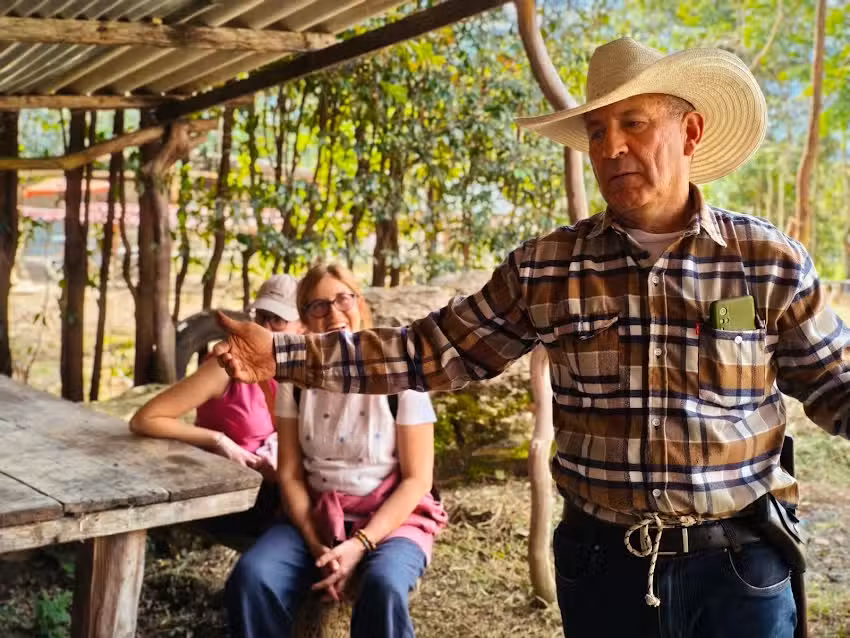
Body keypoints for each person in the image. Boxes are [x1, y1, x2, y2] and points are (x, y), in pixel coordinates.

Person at [212, 37, 850, 638]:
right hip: (604, 567)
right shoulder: (547, 270)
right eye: (597, 131)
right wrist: (284, 353)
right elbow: (428, 352)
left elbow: (835, 386)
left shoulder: (767, 263)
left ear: (690, 132)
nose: (611, 147)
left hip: (739, 564)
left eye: (634, 123)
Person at [224, 262, 446, 638]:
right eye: (317, 306)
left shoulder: (402, 376)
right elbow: (292, 473)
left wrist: (359, 545)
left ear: (360, 304)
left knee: (384, 587)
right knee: (252, 579)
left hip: (391, 518)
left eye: (343, 298)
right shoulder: (295, 383)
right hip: (316, 513)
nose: (333, 313)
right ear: (305, 321)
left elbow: (417, 480)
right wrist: (316, 544)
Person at [130, 274, 303, 534]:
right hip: (230, 494)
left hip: (276, 484)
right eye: (261, 316)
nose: (265, 327)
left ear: (303, 328)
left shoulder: (300, 367)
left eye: (277, 320)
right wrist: (218, 440)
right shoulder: (225, 365)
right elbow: (145, 419)